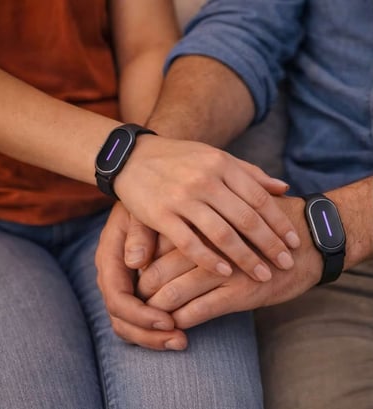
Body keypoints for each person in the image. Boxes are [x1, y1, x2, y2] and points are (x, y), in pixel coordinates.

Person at [0, 0, 287, 407]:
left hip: (111, 195)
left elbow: (146, 46)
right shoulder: (127, 162)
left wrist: (149, 195)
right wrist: (130, 162)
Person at [96, 1, 373, 408]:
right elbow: (244, 29)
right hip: (337, 276)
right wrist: (158, 164)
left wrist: (334, 228)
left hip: (321, 242)